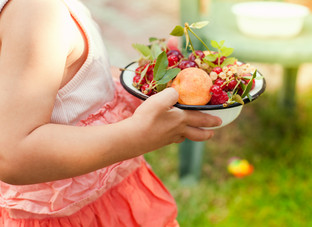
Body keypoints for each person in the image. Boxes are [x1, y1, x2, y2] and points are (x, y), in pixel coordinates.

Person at [0, 0, 221, 226]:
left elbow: (68, 82)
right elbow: (13, 156)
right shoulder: (37, 11)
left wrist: (138, 85)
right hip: (69, 211)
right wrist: (137, 136)